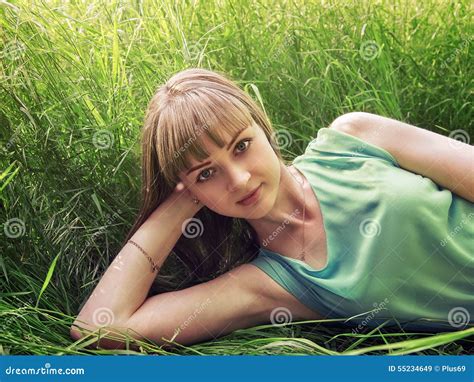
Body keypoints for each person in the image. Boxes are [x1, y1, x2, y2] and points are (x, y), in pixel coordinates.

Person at [70, 68, 474, 350]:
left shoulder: (353, 138)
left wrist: (200, 177)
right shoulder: (268, 285)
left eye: (242, 146)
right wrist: (178, 203)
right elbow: (99, 328)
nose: (240, 180)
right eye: (207, 174)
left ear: (263, 127)